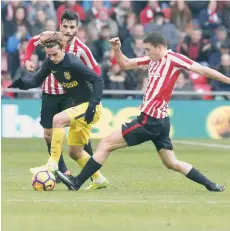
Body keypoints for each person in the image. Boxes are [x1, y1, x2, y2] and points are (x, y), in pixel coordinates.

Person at [58, 32, 230, 192]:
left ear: (159, 48)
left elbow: (204, 70)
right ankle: (211, 185)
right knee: (171, 163)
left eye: (148, 49)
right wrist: (117, 50)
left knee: (105, 144)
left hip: (150, 120)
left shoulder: (174, 59)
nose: (146, 53)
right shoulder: (152, 60)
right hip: (160, 121)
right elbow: (125, 64)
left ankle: (77, 182)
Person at [9, 37, 109, 191]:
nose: (52, 58)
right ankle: (99, 179)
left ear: (63, 48)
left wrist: (92, 106)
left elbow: (98, 81)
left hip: (89, 107)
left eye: (55, 54)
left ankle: (53, 163)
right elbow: (36, 81)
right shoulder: (50, 62)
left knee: (58, 119)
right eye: (49, 55)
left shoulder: (73, 63)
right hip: (80, 108)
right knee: (75, 152)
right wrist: (20, 84)